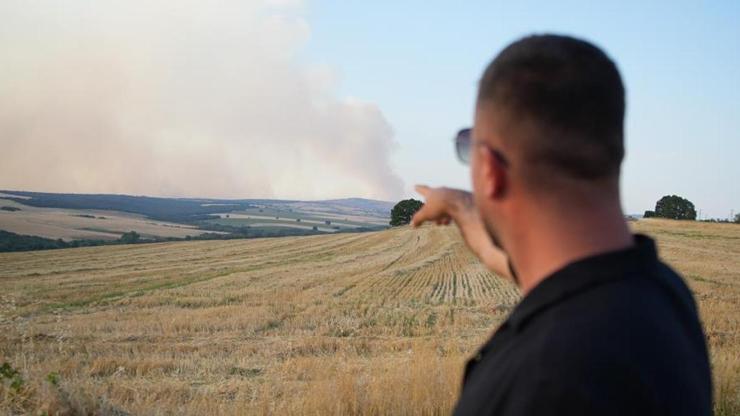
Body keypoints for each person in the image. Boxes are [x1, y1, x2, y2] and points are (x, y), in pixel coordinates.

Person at [411, 34, 712, 415]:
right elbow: (552, 279)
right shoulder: (659, 291)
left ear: (488, 169)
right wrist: (460, 206)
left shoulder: (541, 383)